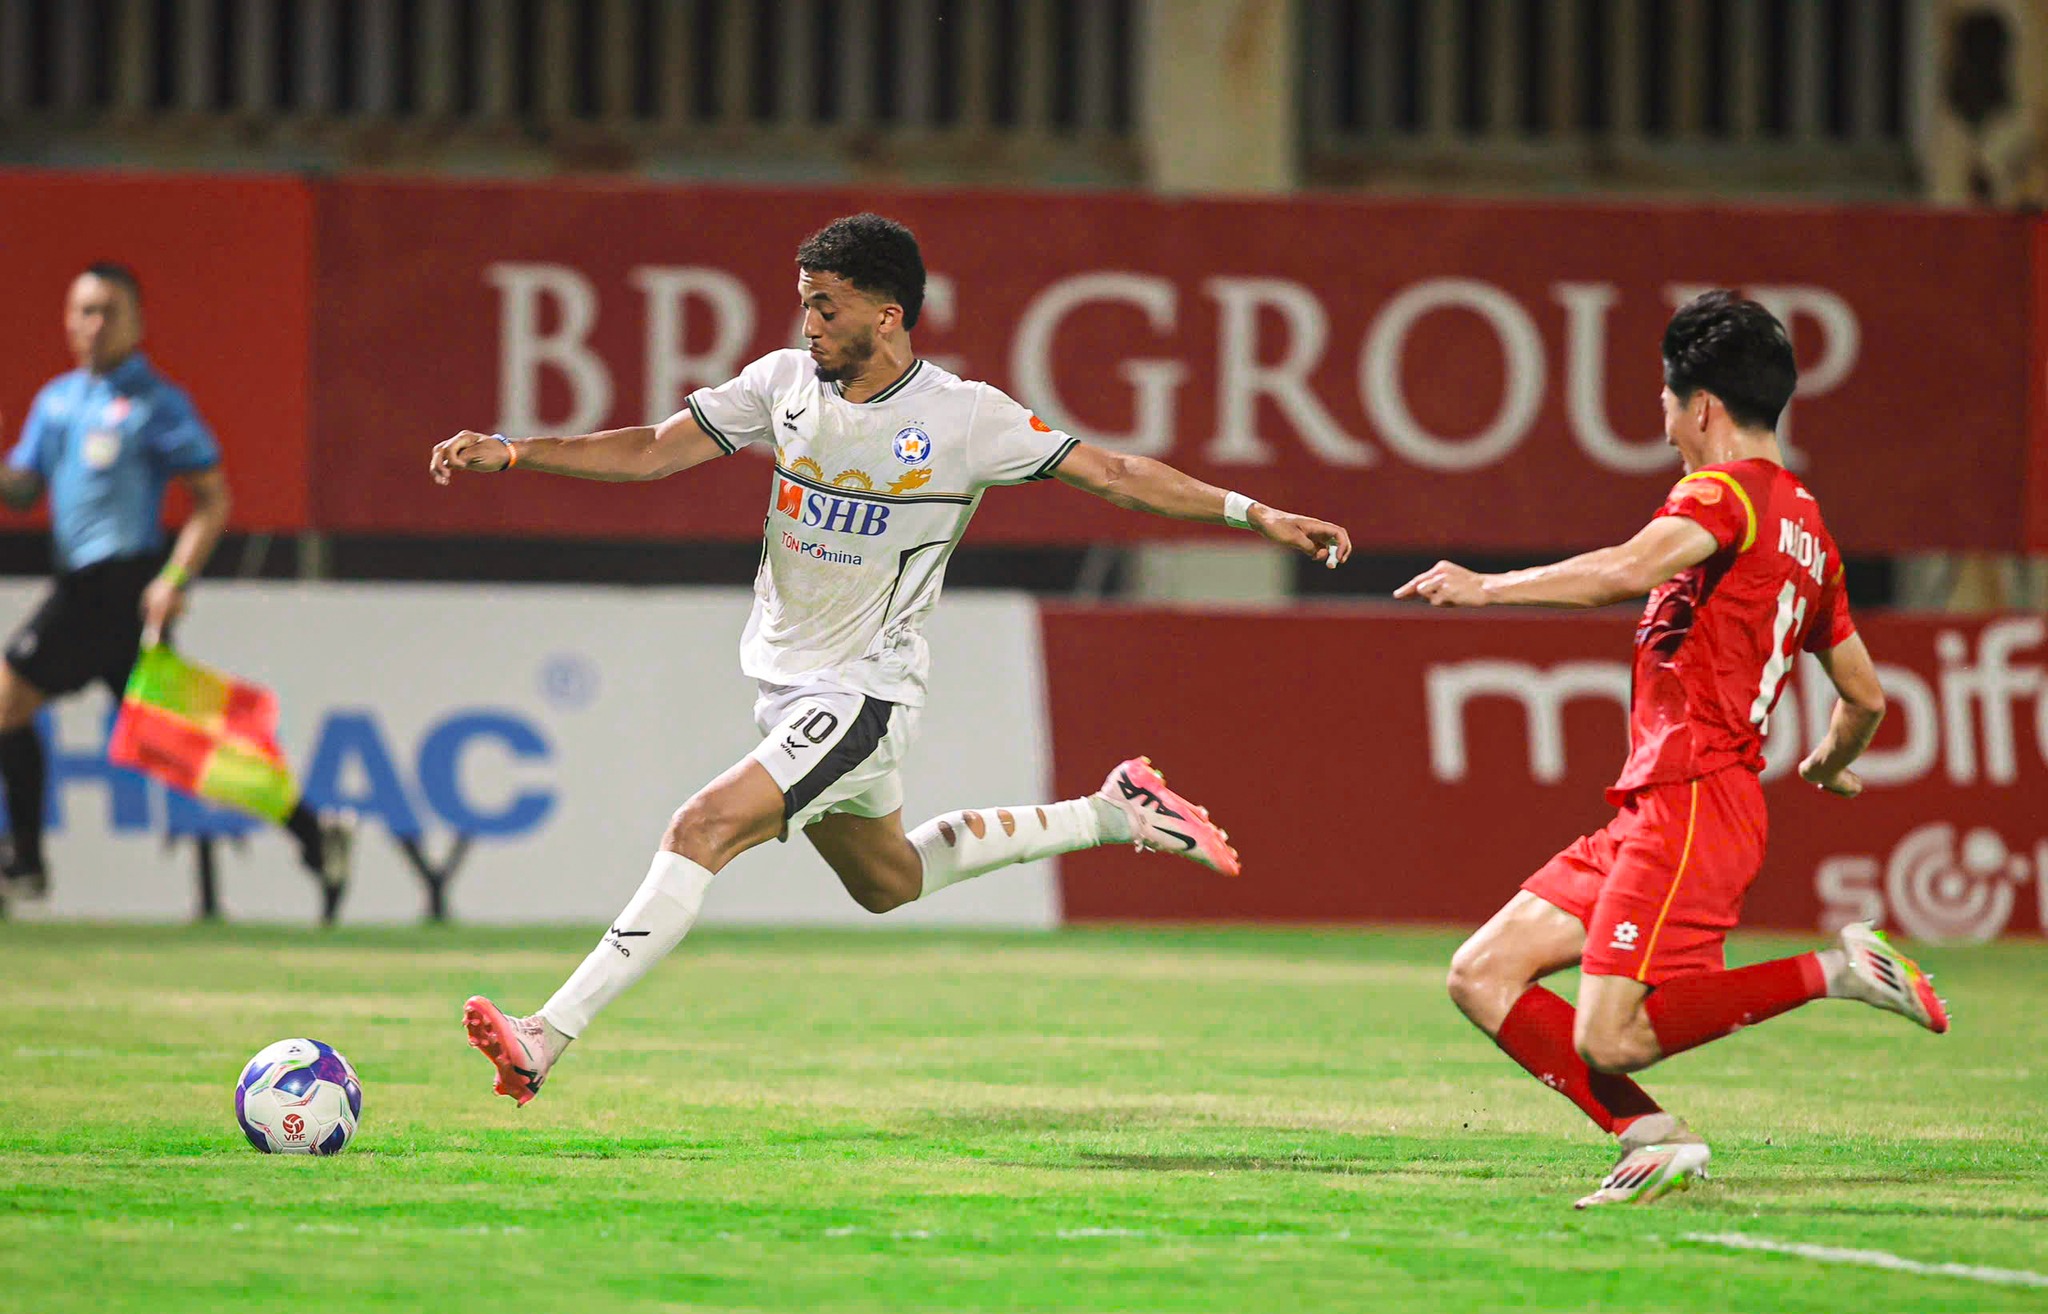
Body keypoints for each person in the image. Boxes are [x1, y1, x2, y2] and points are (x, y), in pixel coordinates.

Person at [434, 213, 1353, 1106]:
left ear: (886, 315)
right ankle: (1112, 811)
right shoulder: (782, 383)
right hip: (788, 686)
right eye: (804, 302)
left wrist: (1256, 514)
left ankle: (544, 1035)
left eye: (825, 306)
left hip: (863, 692)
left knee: (702, 826)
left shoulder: (964, 417)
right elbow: (649, 451)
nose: (808, 323)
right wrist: (517, 451)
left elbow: (1114, 473)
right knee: (889, 882)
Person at [1396, 289, 1948, 1208]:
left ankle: (1835, 969)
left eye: (1664, 399)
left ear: (1701, 408)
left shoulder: (1724, 495)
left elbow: (1621, 571)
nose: (1661, 418)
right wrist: (1825, 762)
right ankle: (1653, 1139)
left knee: (1609, 1036)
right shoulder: (1810, 532)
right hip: (1662, 802)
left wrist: (1486, 587)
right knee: (1482, 971)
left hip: (1695, 797)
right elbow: (1866, 696)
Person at [0, 263, 354, 916]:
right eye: (83, 311)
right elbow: (23, 490)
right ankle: (314, 830)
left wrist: (175, 576)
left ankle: (24, 862)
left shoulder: (156, 404)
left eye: (109, 311)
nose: (94, 324)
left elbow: (212, 499)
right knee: (181, 742)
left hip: (119, 583)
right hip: (85, 585)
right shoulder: (57, 401)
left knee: (7, 698)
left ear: (137, 322)